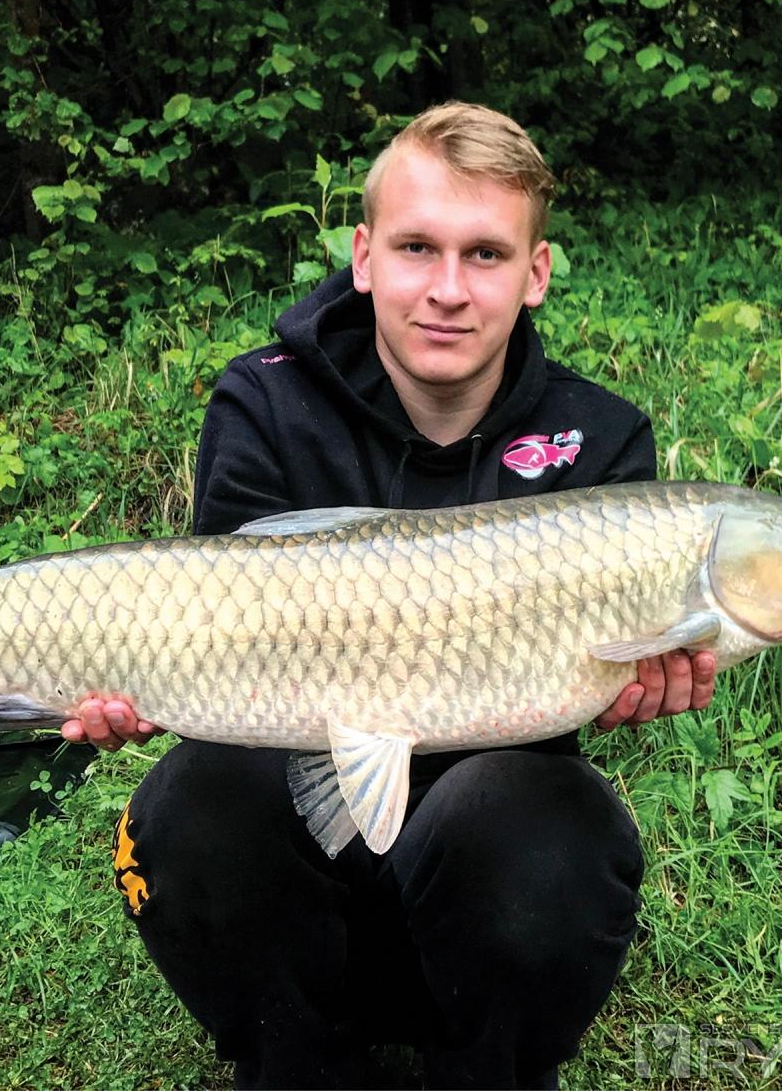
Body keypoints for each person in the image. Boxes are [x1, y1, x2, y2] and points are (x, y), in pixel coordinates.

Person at [63, 102, 716, 1089]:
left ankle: (486, 1068)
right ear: (363, 256)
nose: (447, 289)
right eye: (417, 248)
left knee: (555, 824)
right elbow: (203, 617)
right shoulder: (263, 402)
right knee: (192, 802)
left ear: (535, 272)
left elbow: (611, 679)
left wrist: (643, 682)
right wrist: (135, 680)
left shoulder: (601, 439)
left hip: (485, 878)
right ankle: (297, 1064)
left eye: (485, 254)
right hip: (297, 893)